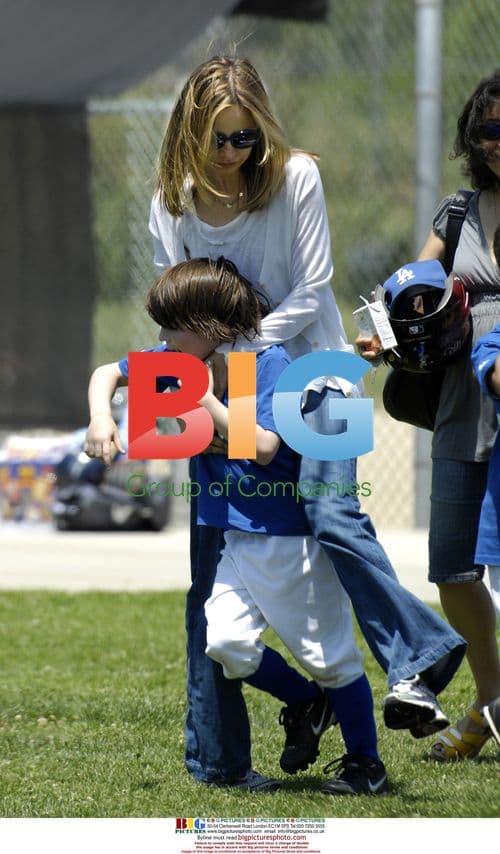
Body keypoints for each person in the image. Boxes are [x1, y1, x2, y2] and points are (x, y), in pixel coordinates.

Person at [144, 55, 466, 786]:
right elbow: (174, 298)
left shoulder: (296, 178)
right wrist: (195, 377)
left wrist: (237, 346)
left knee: (332, 514)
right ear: (191, 135)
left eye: (247, 139)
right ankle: (222, 762)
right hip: (225, 386)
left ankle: (417, 660)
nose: (235, 155)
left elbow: (314, 284)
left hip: (317, 370)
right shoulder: (169, 199)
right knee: (209, 560)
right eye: (221, 140)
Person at [86, 256, 390, 795]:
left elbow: (266, 446)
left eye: (172, 326)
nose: (162, 338)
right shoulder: (177, 357)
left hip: (291, 540)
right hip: (233, 538)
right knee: (226, 644)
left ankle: (366, 763)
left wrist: (200, 396)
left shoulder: (266, 363)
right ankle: (304, 701)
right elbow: (108, 372)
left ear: (210, 329)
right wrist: (101, 416)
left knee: (332, 658)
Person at [358, 69, 500, 762]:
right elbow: (410, 288)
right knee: (451, 565)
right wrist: (382, 333)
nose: (498, 142)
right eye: (488, 130)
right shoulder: (458, 211)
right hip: (461, 398)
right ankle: (493, 701)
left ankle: (481, 718)